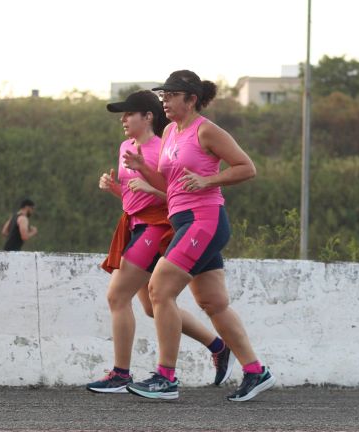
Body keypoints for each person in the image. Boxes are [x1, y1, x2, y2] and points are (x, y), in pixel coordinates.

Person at [123, 71, 276, 402]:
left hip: (203, 222)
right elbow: (170, 185)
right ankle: (255, 371)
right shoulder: (169, 131)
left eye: (171, 95)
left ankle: (165, 378)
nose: (164, 100)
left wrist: (209, 181)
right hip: (185, 222)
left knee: (159, 290)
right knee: (213, 303)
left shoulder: (206, 130)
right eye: (162, 95)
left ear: (191, 99)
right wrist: (141, 168)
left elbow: (247, 167)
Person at [86, 90, 235, 395]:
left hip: (157, 228)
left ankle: (121, 373)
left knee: (117, 297)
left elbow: (175, 195)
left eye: (129, 114)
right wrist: (115, 189)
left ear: (148, 117)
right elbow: (133, 196)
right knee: (154, 308)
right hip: (134, 226)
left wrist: (148, 182)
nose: (123, 120)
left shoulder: (159, 148)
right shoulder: (126, 146)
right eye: (122, 115)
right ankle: (218, 346)